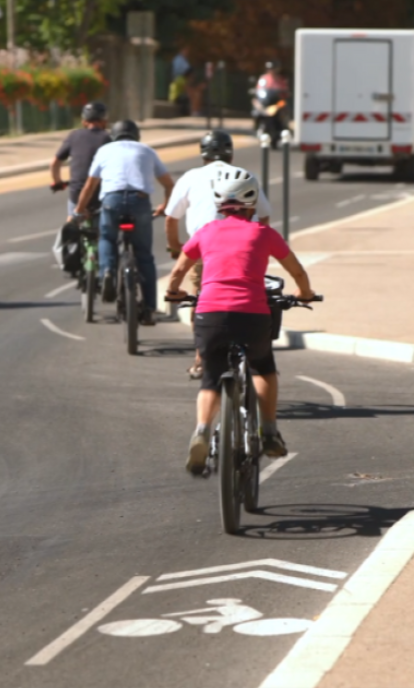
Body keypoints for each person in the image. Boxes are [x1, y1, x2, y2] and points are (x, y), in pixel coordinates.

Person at [165, 168, 315, 475]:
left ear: (219, 202)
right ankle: (269, 431)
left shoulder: (205, 232)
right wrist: (304, 293)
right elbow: (297, 271)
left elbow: (178, 271)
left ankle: (202, 432)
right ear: (252, 201)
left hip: (210, 315)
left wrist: (173, 292)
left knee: (210, 377)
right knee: (263, 366)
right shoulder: (264, 233)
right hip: (252, 315)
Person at [166, 130, 274, 379]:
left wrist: (175, 248)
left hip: (204, 249)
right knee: (252, 293)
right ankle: (252, 350)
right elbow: (265, 215)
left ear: (202, 153)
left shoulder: (190, 177)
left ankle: (201, 359)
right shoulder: (245, 176)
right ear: (231, 153)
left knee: (200, 299)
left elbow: (171, 218)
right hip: (245, 249)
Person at [74, 120, 176, 325]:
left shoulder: (104, 151)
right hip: (140, 201)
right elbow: (169, 185)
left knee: (107, 238)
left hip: (112, 201)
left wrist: (79, 211)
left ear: (113, 135)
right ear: (137, 136)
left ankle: (107, 271)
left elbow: (90, 186)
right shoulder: (147, 151)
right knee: (144, 256)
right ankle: (149, 309)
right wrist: (165, 207)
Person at [49, 101, 110, 217]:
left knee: (71, 221)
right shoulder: (108, 138)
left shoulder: (74, 136)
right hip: (101, 195)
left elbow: (55, 163)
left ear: (84, 121)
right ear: (104, 121)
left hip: (77, 194)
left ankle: (69, 227)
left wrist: (57, 182)